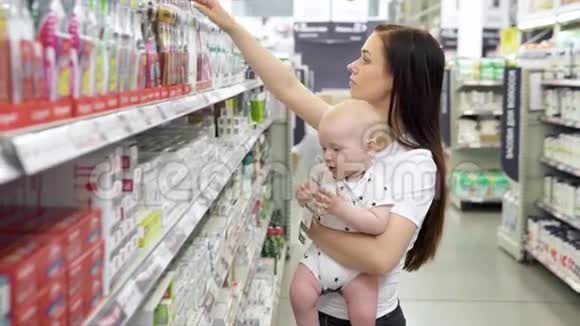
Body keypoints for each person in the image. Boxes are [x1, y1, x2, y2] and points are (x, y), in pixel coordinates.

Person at [192, 1, 447, 325]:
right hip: (320, 311)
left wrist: (314, 230)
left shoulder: (415, 163)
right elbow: (287, 87)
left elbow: (381, 258)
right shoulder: (349, 132)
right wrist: (232, 27)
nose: (351, 66)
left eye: (365, 60)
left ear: (397, 78)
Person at [293, 100, 392, 326]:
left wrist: (341, 208)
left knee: (364, 314)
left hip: (357, 264)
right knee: (299, 295)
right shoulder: (322, 173)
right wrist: (305, 198)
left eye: (336, 149)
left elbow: (378, 223)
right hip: (321, 255)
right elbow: (312, 212)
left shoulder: (376, 181)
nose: (327, 156)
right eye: (324, 148)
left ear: (370, 148)